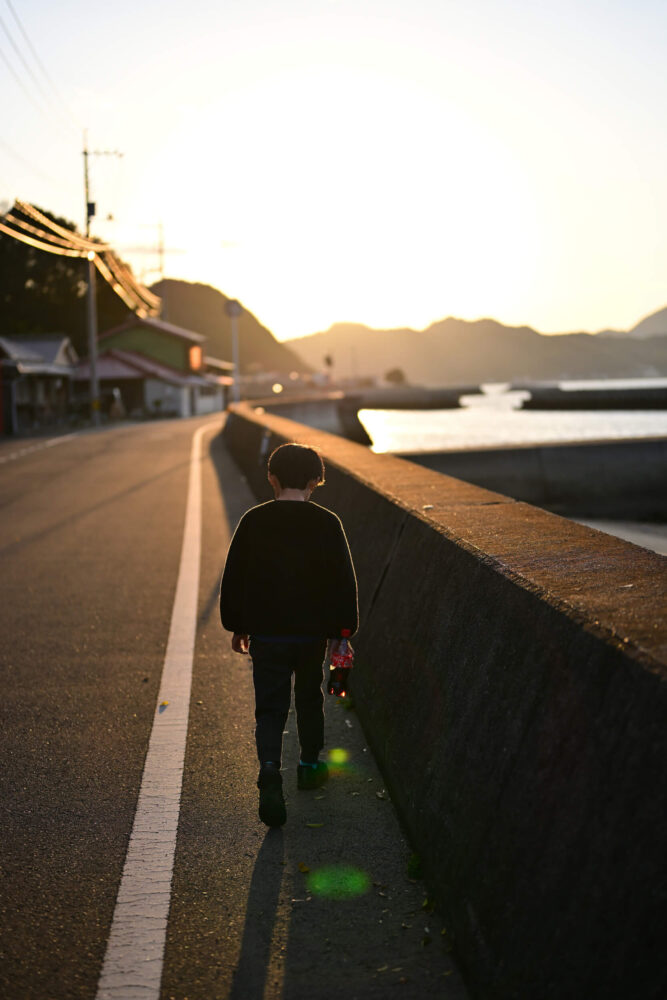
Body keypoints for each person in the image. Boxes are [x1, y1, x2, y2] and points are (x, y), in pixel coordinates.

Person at [219, 442, 358, 828]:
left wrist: (237, 625)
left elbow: (234, 579)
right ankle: (309, 766)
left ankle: (269, 771)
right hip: (311, 637)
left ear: (272, 479)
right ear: (316, 480)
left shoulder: (253, 520)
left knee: (270, 707)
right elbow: (343, 584)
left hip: (267, 635)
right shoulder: (328, 523)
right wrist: (342, 632)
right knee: (309, 698)